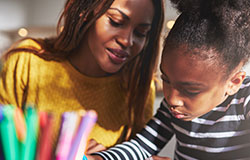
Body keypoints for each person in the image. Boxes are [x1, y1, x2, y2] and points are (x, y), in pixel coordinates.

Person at [81, 0, 250, 160]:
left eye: (191, 90)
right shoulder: (176, 108)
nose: (172, 99)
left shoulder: (246, 100)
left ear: (233, 82)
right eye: (166, 80)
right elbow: (143, 147)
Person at [0, 0, 164, 151]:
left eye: (141, 33)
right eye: (116, 22)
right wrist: (61, 159)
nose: (127, 41)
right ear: (84, 12)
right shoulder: (28, 61)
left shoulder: (139, 87)